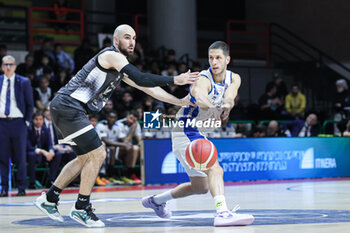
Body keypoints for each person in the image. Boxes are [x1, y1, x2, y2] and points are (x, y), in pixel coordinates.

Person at [33, 24, 199, 228]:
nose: (132, 42)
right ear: (116, 40)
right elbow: (141, 77)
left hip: (68, 109)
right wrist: (175, 79)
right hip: (69, 106)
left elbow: (150, 89)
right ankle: (81, 207)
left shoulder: (120, 67)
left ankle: (49, 199)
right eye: (127, 37)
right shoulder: (111, 55)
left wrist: (180, 102)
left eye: (134, 38)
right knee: (99, 154)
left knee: (85, 158)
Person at [141, 41, 254, 227]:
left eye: (218, 58)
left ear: (227, 59)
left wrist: (227, 105)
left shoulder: (235, 78)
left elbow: (230, 95)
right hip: (186, 128)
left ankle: (156, 201)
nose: (214, 62)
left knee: (200, 186)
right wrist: (211, 107)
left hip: (197, 131)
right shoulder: (203, 77)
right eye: (210, 58)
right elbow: (200, 94)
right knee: (215, 169)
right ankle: (223, 213)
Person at [0, 55, 34, 197]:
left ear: (15, 66)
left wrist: (26, 122)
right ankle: (3, 188)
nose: (8, 67)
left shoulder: (23, 81)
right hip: (1, 123)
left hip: (18, 123)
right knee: (2, 158)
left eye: (11, 64)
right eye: (6, 64)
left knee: (20, 157)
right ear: (2, 67)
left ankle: (21, 187)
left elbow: (30, 104)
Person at [27, 112, 62, 189]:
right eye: (36, 119)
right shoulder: (28, 129)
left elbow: (49, 144)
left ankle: (50, 180)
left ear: (43, 120)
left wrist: (51, 151)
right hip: (32, 153)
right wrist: (43, 151)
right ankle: (32, 182)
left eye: (40, 119)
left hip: (43, 155)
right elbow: (28, 146)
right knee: (31, 155)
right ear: (32, 120)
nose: (38, 121)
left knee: (57, 154)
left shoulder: (45, 129)